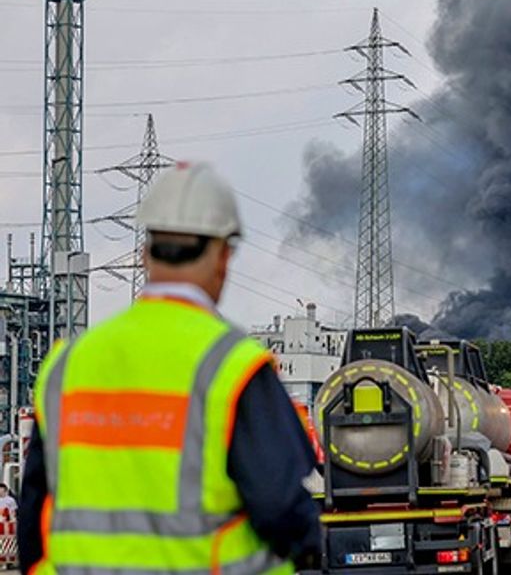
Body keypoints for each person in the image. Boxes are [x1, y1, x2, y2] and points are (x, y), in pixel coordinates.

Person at [17, 163, 321, 573]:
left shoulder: (68, 366)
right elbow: (281, 507)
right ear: (223, 257)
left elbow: (34, 517)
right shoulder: (232, 367)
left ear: (144, 253)